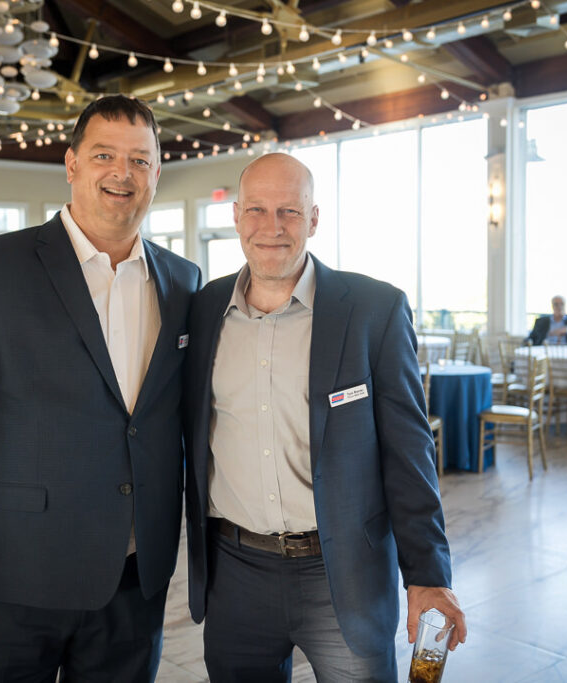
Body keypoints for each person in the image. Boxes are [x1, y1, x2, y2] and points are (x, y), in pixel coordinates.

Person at [0, 95, 201, 681]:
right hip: (16, 571)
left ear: (157, 173)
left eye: (140, 160)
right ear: (71, 164)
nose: (123, 173)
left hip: (135, 575)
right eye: (104, 155)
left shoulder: (183, 282)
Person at [183, 153, 466, 681]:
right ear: (237, 216)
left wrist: (427, 573)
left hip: (343, 574)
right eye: (258, 211)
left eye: (289, 211)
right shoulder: (201, 311)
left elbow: (408, 452)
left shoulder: (373, 309)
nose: (272, 228)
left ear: (314, 219)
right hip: (234, 572)